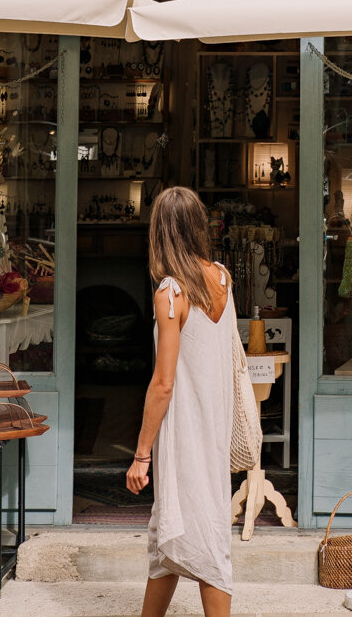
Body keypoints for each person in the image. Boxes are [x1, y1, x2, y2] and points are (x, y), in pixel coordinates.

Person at [126, 186, 234, 617]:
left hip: (185, 433)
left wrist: (141, 454)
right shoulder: (223, 277)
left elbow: (163, 383)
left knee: (202, 538)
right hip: (213, 430)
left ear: (161, 233)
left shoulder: (170, 294)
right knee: (168, 534)